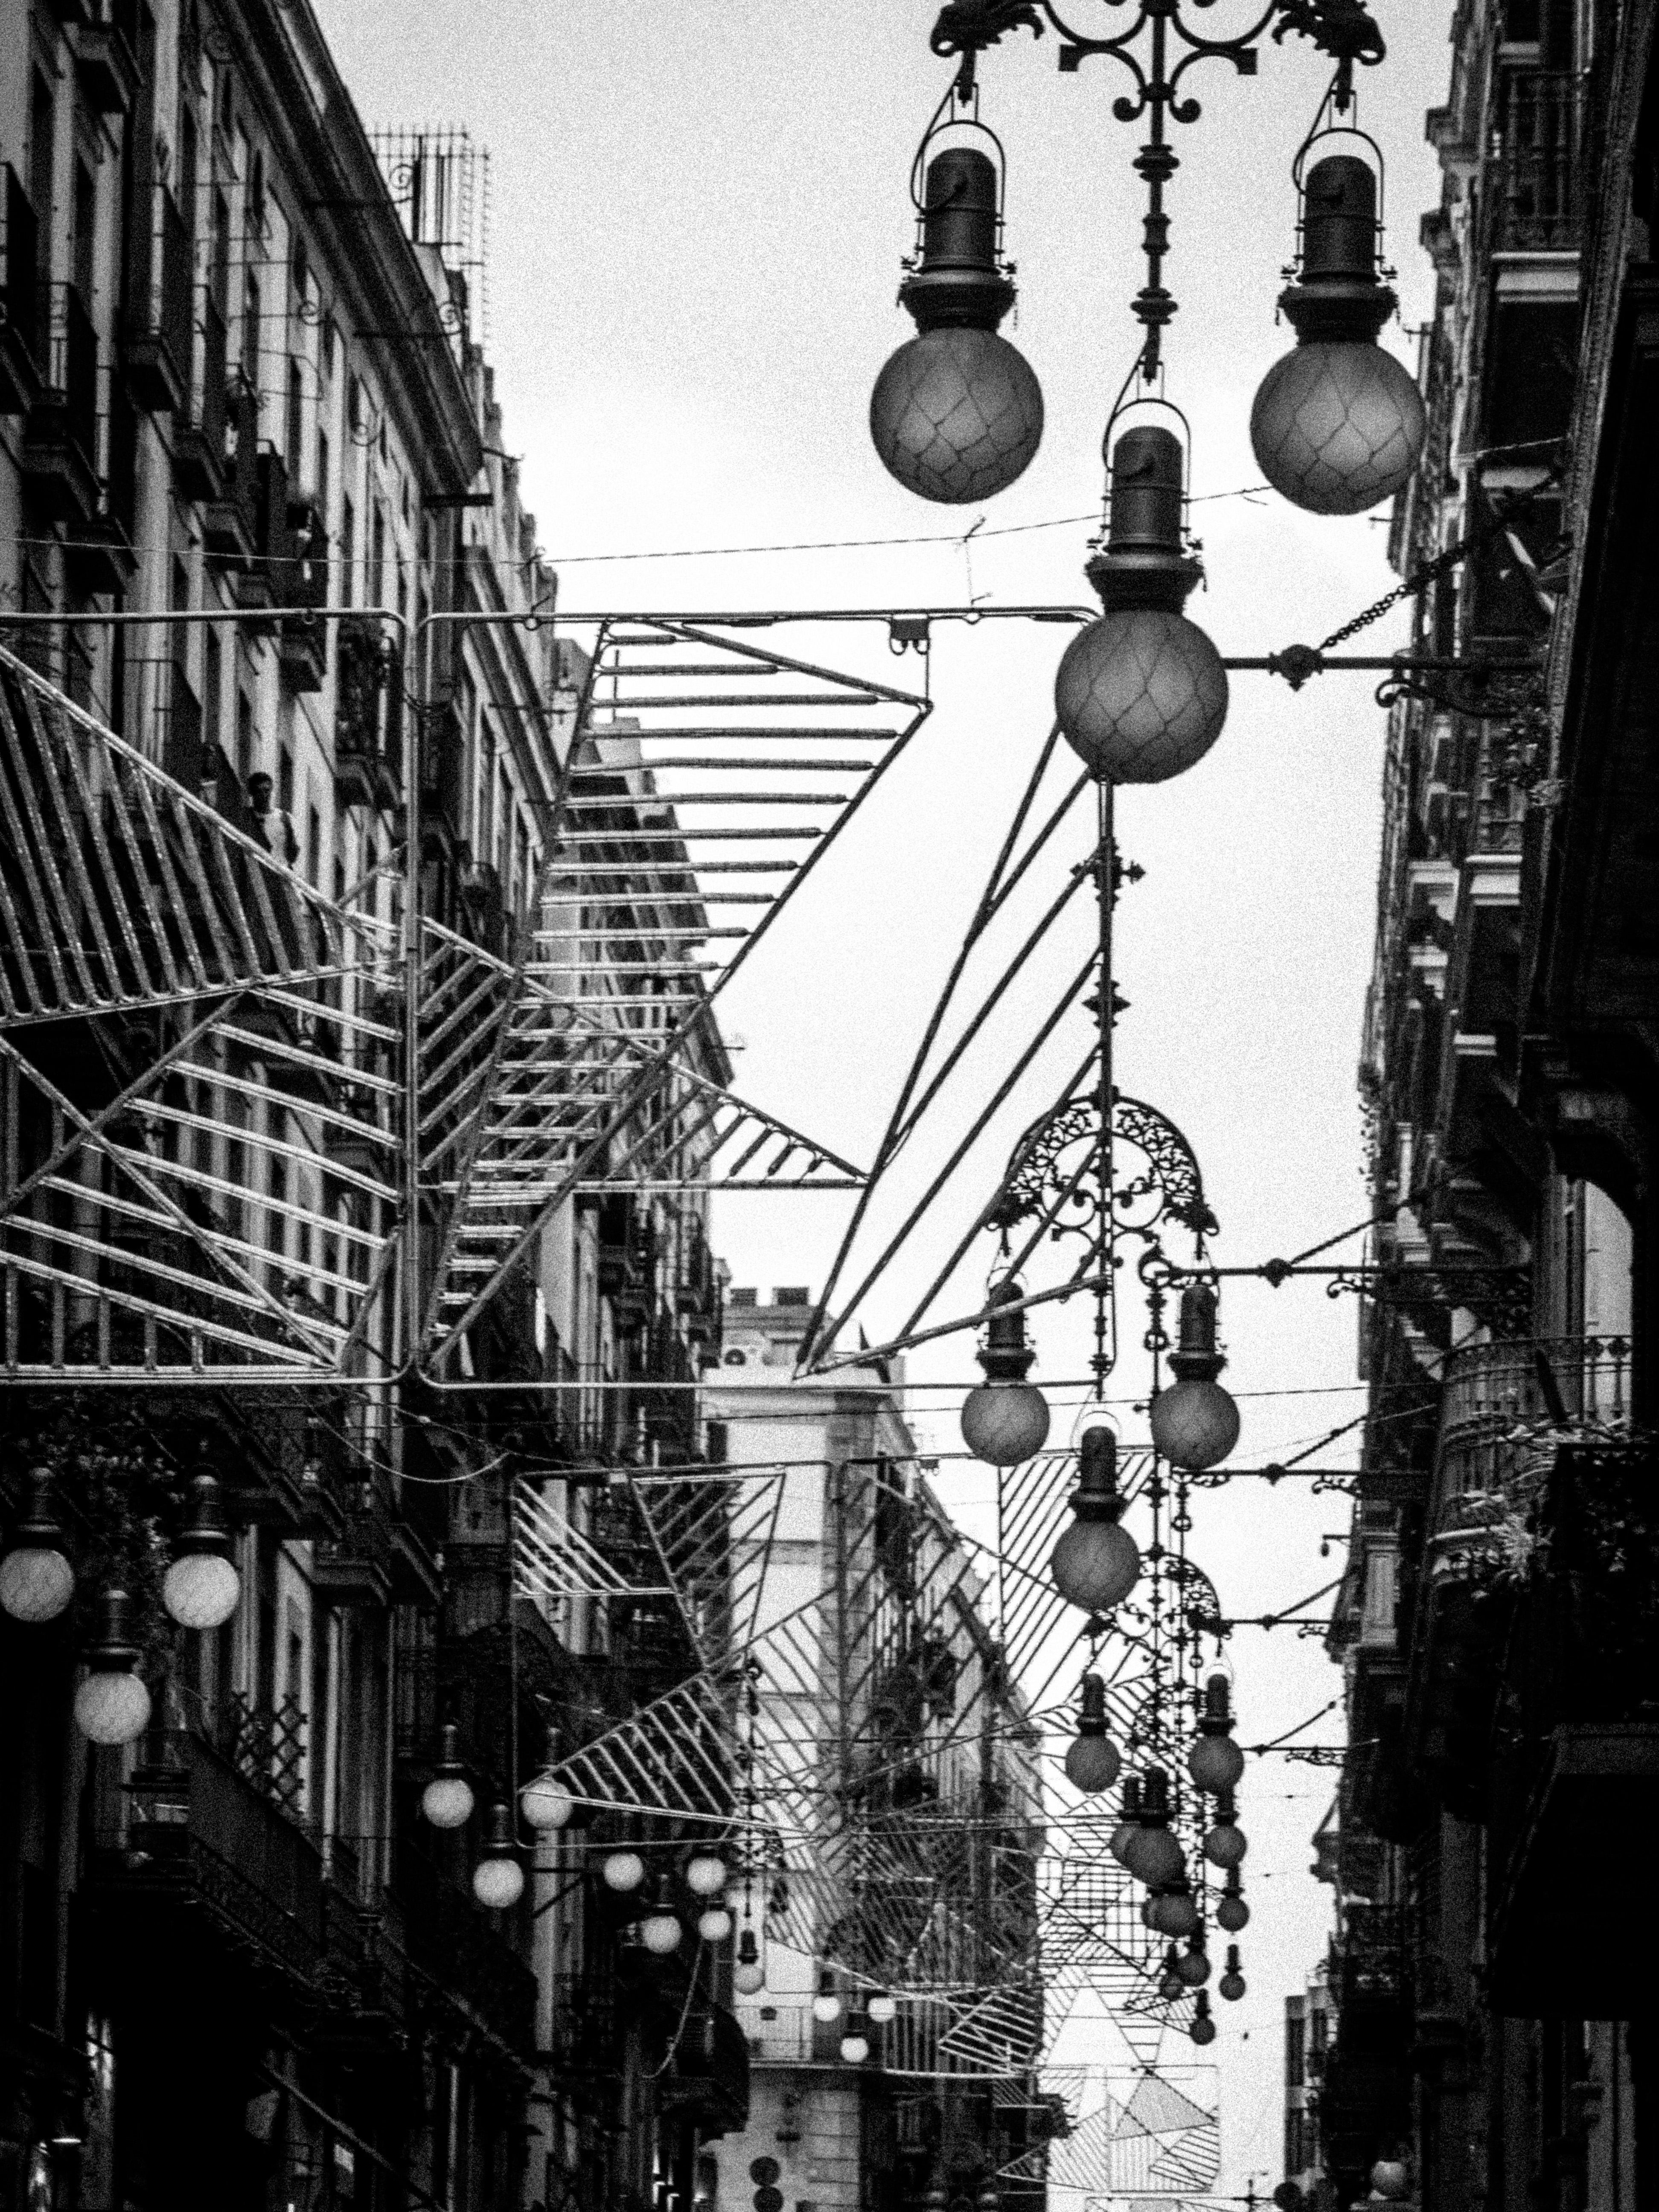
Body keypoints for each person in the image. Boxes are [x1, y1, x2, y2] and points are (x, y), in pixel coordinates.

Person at [247, 770, 299, 864]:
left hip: (279, 870)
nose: (264, 795)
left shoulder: (284, 818)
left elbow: (293, 857)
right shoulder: (246, 816)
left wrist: (289, 829)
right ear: (251, 793)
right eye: (258, 791)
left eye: (267, 791)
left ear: (271, 790)